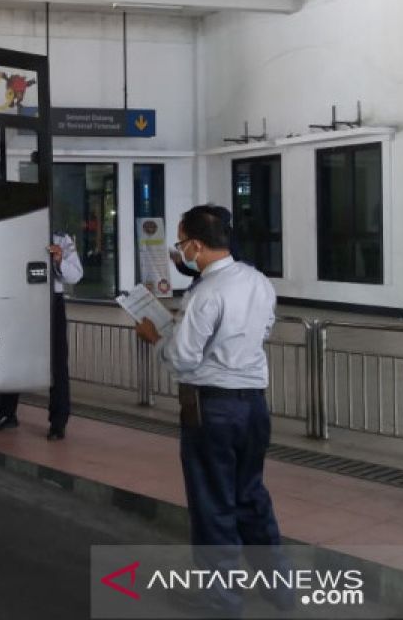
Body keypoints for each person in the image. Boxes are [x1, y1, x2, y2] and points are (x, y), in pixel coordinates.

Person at [133, 205, 289, 616]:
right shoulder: (257, 281)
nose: (179, 252)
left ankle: (221, 599)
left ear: (197, 246)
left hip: (211, 409)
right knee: (251, 495)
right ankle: (279, 587)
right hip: (253, 405)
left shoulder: (204, 294)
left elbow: (184, 359)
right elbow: (264, 331)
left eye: (181, 243)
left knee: (213, 503)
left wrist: (156, 339)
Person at [0, 231, 83, 437]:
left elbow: (76, 275)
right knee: (13, 358)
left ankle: (58, 421)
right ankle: (7, 413)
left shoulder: (61, 239)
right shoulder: (16, 230)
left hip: (51, 301)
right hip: (20, 298)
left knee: (57, 363)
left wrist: (59, 260)